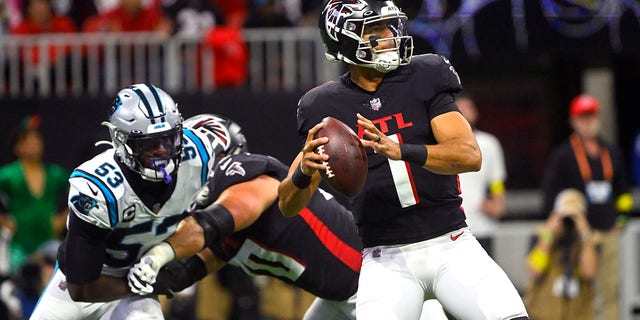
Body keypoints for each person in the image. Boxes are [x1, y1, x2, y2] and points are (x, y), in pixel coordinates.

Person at [276, 1, 529, 319]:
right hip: (385, 258)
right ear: (345, 41)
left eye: (387, 27)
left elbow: (469, 155)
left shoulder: (425, 74)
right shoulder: (323, 105)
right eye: (375, 30)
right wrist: (302, 173)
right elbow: (287, 205)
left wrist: (402, 150)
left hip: (451, 243)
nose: (388, 36)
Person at [127, 114, 362, 320]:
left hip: (369, 281)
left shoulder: (247, 180)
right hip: (339, 298)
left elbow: (216, 220)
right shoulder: (222, 226)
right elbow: (181, 274)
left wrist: (158, 253)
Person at [29, 83, 218, 320]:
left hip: (136, 289)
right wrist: (148, 283)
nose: (161, 151)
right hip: (87, 283)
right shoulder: (100, 186)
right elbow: (81, 289)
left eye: (167, 140)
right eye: (149, 144)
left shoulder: (198, 154)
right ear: (121, 140)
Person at [540, 93, 633, 320]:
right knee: (579, 289)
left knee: (609, 289)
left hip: (607, 232)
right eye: (583, 117)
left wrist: (621, 220)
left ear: (598, 118)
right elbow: (550, 195)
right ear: (573, 121)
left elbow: (623, 193)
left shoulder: (610, 152)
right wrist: (559, 224)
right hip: (578, 234)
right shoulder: (563, 155)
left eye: (591, 116)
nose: (588, 122)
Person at [0, 115, 70, 274]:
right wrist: (4, 222)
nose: (33, 143)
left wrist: (63, 217)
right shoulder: (9, 175)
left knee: (54, 284)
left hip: (49, 240)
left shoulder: (54, 174)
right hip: (21, 243)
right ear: (17, 147)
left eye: (36, 139)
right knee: (21, 288)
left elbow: (82, 191)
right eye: (27, 140)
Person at [524, 189, 599, 319]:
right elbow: (535, 270)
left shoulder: (590, 239)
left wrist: (584, 235)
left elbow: (589, 272)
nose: (568, 221)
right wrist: (549, 234)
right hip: (544, 312)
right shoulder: (541, 235)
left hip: (579, 312)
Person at [456, 93, 507, 257]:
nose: (463, 111)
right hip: (452, 230)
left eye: (467, 107)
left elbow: (496, 181)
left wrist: (497, 203)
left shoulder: (489, 143)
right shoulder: (440, 144)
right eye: (459, 107)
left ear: (475, 112)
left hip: (482, 227)